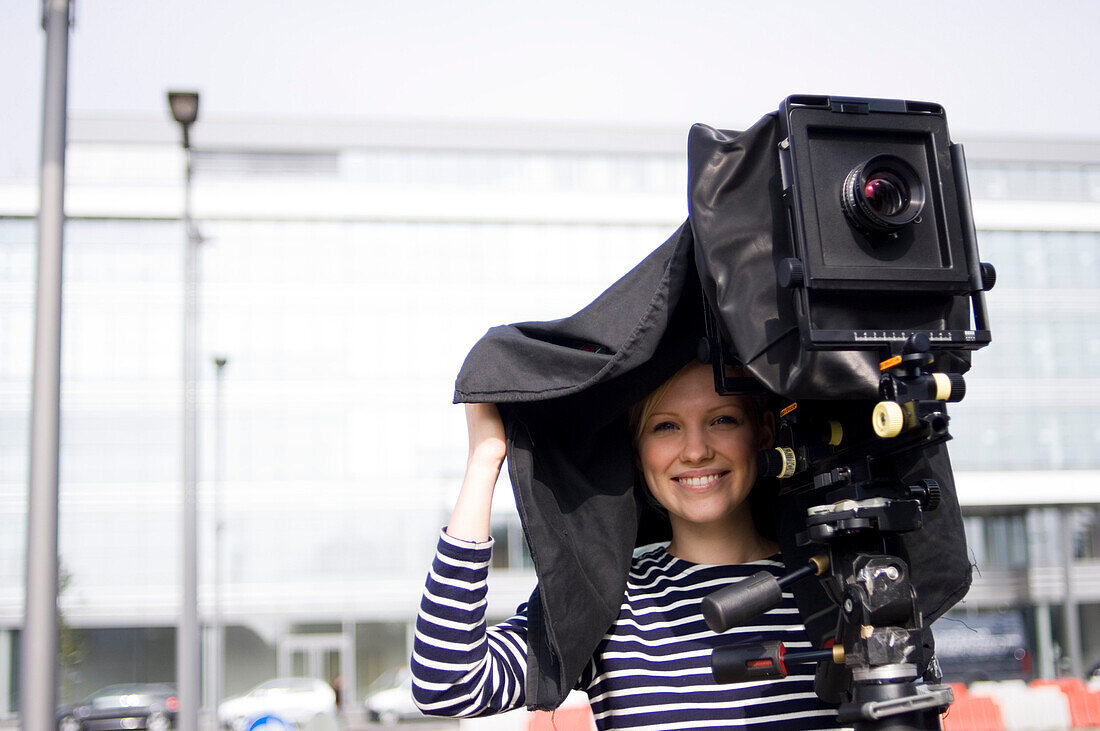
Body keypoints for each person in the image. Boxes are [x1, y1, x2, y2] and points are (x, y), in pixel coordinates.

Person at [411, 360, 846, 729]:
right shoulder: (607, 595)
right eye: (666, 426)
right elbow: (447, 684)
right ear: (636, 452)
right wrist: (485, 458)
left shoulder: (838, 581)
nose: (695, 451)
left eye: (722, 419)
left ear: (764, 432)